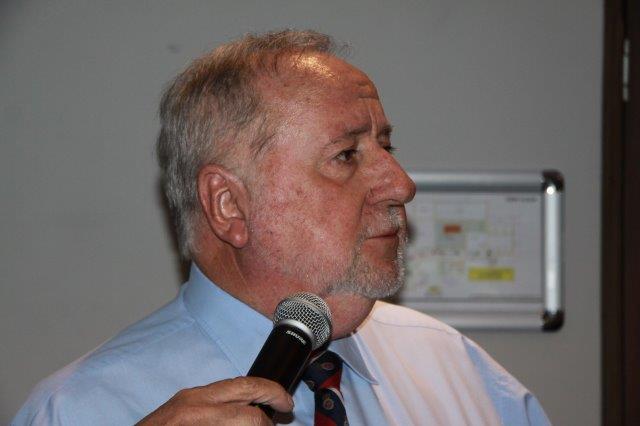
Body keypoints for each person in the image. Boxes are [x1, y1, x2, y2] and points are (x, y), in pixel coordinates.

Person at [12, 30, 550, 425]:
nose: (401, 184)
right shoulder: (80, 409)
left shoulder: (462, 374)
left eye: (386, 146)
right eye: (346, 155)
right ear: (229, 205)